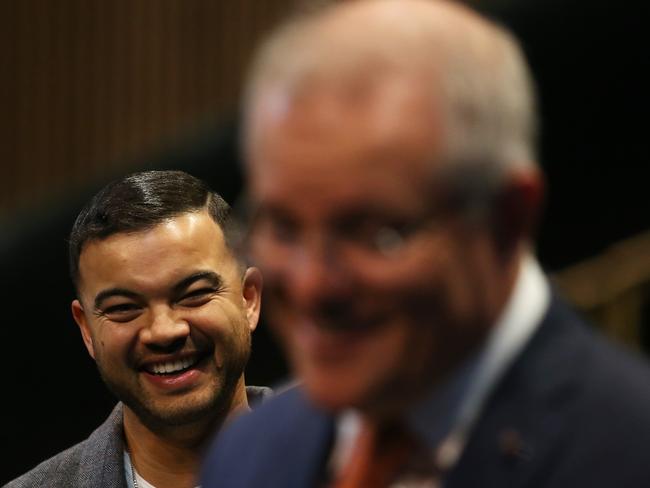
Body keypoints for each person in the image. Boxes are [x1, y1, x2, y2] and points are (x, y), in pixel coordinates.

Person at [200, 0, 650, 487]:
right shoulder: (248, 456)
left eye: (372, 234)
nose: (312, 286)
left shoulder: (629, 451)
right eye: (282, 228)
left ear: (508, 218)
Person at [6, 170, 267, 488]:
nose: (163, 331)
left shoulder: (337, 463)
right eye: (123, 309)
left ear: (248, 298)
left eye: (193, 295)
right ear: (87, 330)